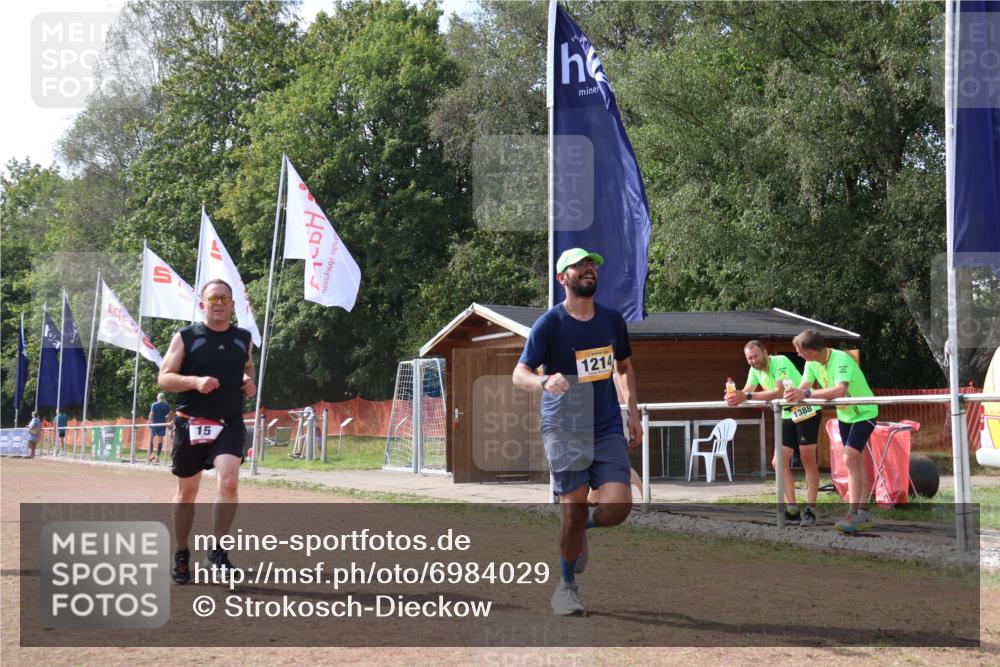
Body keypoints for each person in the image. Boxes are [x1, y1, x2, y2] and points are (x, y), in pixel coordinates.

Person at [512, 248, 642, 616]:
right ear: (562, 279)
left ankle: (581, 524)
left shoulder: (613, 321)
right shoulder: (549, 324)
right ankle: (566, 586)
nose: (589, 270)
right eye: (580, 266)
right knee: (572, 506)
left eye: (593, 266)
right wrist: (543, 380)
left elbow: (623, 367)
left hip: (604, 425)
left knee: (618, 506)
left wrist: (632, 411)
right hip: (564, 426)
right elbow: (518, 374)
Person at [158, 278, 256, 584]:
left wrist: (249, 382)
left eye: (225, 299)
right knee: (187, 493)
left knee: (228, 480)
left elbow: (248, 367)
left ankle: (217, 552)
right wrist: (195, 382)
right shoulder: (186, 337)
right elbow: (165, 378)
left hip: (229, 422)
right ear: (202, 303)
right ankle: (181, 553)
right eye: (213, 298)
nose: (219, 304)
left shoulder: (243, 337)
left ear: (232, 305)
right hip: (190, 422)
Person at [784, 329, 878, 534]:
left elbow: (839, 390)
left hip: (865, 412)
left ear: (812, 351)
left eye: (800, 351)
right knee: (856, 460)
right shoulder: (811, 363)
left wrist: (805, 393)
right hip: (845, 416)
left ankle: (853, 515)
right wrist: (792, 394)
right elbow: (803, 387)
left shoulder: (841, 358)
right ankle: (863, 511)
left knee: (849, 458)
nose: (798, 355)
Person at [725, 340, 820, 526]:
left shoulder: (780, 361)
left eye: (755, 356)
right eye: (749, 358)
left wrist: (747, 396)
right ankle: (793, 510)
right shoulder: (754, 370)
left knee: (808, 459)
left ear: (765, 352)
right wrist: (733, 396)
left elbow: (778, 391)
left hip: (806, 409)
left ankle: (811, 510)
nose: (753, 360)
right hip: (787, 413)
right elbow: (746, 392)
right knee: (779, 462)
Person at [147, 393, 171, 464]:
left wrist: (149, 423)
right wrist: (167, 424)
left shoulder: (154, 404)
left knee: (151, 439)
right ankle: (157, 456)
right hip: (162, 424)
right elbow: (168, 416)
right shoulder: (166, 406)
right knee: (160, 441)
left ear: (158, 398)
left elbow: (151, 414)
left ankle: (151, 454)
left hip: (154, 424)